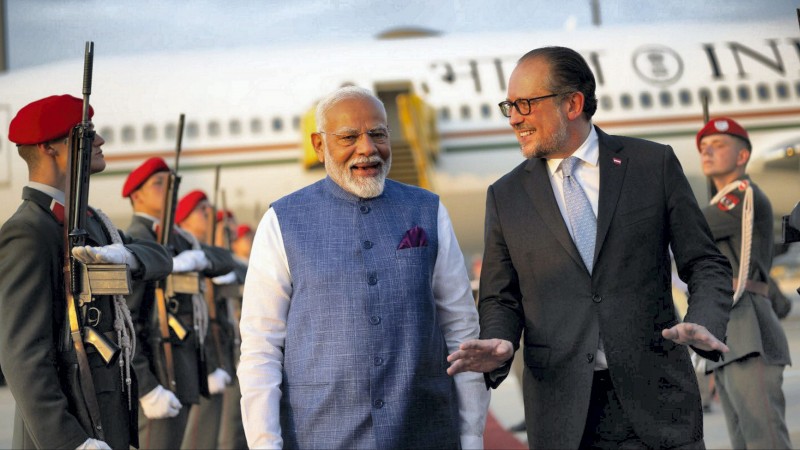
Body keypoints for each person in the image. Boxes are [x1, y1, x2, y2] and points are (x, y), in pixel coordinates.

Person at [446, 47, 734, 449]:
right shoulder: (506, 196)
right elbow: (500, 298)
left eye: (525, 104)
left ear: (573, 103)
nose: (514, 118)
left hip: (658, 404)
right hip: (564, 418)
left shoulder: (652, 165)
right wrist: (500, 341)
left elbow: (705, 263)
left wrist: (704, 318)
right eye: (509, 106)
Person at [238, 86, 489, 449]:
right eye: (349, 137)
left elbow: (461, 329)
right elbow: (261, 346)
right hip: (319, 436)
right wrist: (265, 444)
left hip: (424, 433)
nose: (367, 148)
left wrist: (471, 436)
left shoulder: (427, 210)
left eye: (378, 134)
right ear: (319, 145)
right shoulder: (282, 221)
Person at [0, 95, 173, 450]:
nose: (100, 141)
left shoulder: (91, 223)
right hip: (71, 428)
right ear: (49, 147)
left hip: (108, 415)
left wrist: (126, 256)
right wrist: (70, 442)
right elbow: (23, 355)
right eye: (85, 133)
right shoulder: (30, 231)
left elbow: (160, 257)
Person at [122, 158, 237, 449]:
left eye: (172, 183)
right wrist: (148, 388)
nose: (168, 190)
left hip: (181, 375)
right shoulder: (137, 239)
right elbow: (127, 322)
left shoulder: (179, 239)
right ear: (138, 196)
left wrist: (199, 258)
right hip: (159, 378)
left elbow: (224, 259)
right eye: (159, 184)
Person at [696, 117, 792, 448]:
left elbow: (690, 228)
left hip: (747, 329)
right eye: (703, 148)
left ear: (742, 156)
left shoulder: (741, 196)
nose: (707, 152)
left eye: (718, 145)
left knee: (762, 438)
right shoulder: (723, 201)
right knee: (742, 439)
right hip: (728, 332)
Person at [175, 190, 237, 449]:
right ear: (185, 220)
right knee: (199, 440)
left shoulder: (203, 252)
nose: (210, 214)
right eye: (202, 210)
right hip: (196, 362)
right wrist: (210, 366)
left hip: (218, 355)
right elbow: (193, 321)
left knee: (212, 436)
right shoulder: (183, 253)